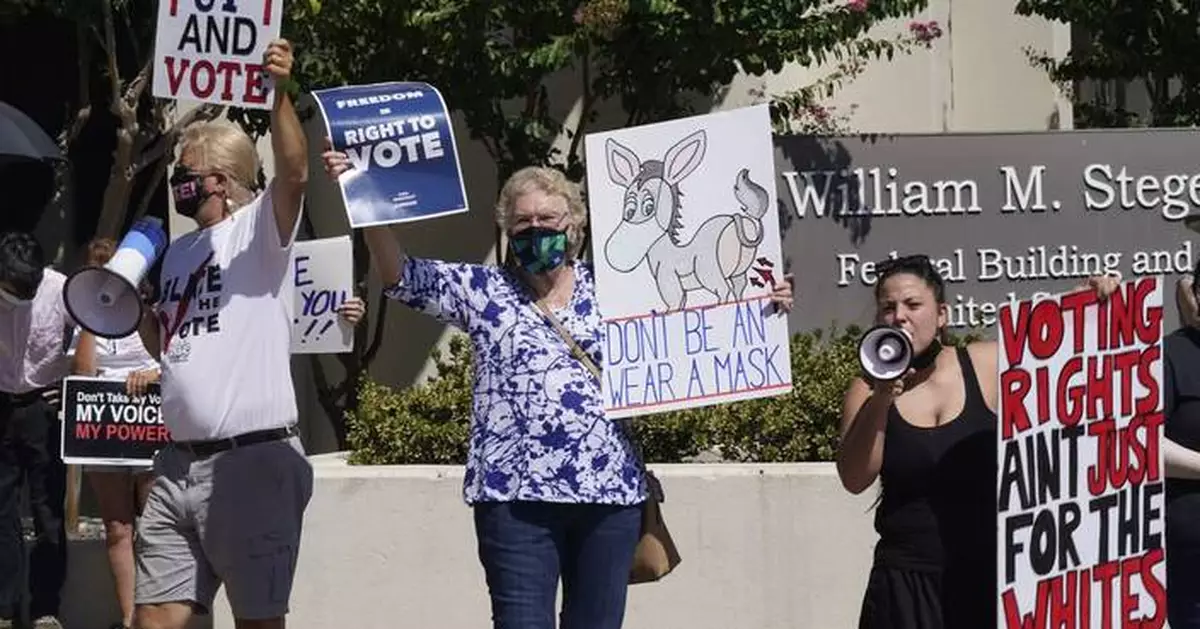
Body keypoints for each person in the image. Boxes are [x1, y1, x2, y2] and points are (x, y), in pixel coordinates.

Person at [321, 144, 795, 628]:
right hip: (515, 501)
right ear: (507, 228)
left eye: (549, 217)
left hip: (609, 497)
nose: (536, 228)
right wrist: (363, 198)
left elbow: (707, 316)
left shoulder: (622, 286)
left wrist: (766, 301)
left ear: (574, 226)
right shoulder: (484, 291)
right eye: (523, 221)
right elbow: (401, 274)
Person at [131, 38, 312, 629]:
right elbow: (177, 345)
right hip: (176, 463)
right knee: (156, 617)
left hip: (250, 461)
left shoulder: (258, 229)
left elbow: (295, 173)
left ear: (228, 179)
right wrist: (137, 315)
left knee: (257, 621)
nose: (182, 186)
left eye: (191, 176)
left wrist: (279, 95)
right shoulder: (180, 252)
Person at [836, 254, 1120, 629]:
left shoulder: (984, 365)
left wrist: (1089, 296)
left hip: (986, 577)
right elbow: (855, 479)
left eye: (913, 304)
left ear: (941, 315)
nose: (899, 316)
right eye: (887, 307)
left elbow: (1056, 345)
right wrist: (883, 397)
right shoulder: (866, 389)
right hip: (904, 584)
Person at [67, 237, 161, 629]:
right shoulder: (87, 322)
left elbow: (172, 359)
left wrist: (152, 374)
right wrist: (92, 313)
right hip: (107, 433)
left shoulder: (151, 316)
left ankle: (158, 613)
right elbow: (83, 373)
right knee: (118, 526)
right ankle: (129, 618)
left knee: (156, 523)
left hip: (152, 430)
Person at [0, 231, 73, 629]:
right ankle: (5, 608)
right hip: (0, 403)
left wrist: (74, 385)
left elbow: (87, 336)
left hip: (44, 406)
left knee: (47, 512)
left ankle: (46, 606)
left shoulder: (60, 289)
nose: (23, 296)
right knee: (2, 513)